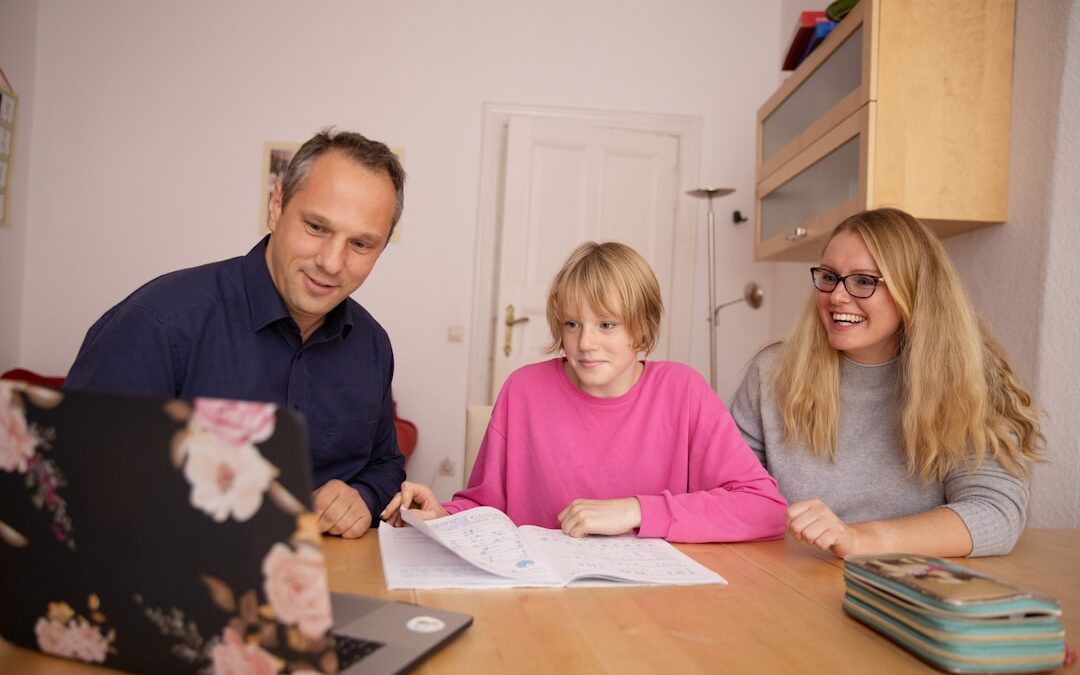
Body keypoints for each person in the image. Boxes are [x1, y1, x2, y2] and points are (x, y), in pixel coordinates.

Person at [64, 129, 407, 539]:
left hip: (334, 582)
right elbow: (75, 484)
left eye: (361, 244)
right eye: (316, 227)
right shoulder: (156, 324)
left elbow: (386, 464)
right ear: (277, 205)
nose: (332, 263)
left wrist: (363, 496)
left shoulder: (373, 346)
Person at [382, 241, 787, 543]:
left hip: (651, 604)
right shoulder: (523, 390)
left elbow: (765, 509)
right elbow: (485, 506)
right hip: (542, 594)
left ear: (641, 329)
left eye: (607, 325)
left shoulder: (683, 391)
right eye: (573, 324)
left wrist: (636, 509)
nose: (585, 343)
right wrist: (441, 515)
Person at [730, 208, 1044, 559]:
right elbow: (727, 487)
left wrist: (860, 539)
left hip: (903, 590)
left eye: (864, 281)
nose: (837, 296)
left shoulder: (968, 383)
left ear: (914, 291)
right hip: (787, 581)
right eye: (830, 276)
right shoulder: (772, 374)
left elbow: (995, 514)